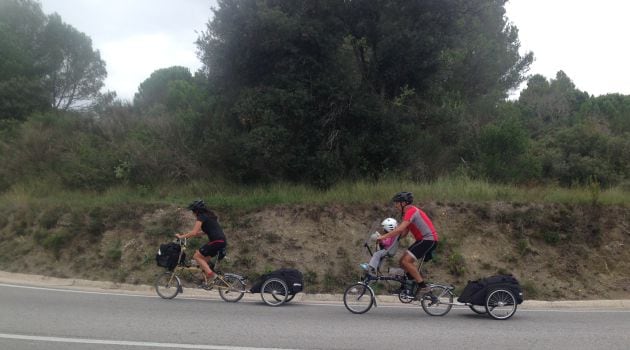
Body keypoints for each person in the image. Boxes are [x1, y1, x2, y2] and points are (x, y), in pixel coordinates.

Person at [377, 192, 438, 295]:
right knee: (402, 262)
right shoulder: (407, 213)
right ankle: (407, 287)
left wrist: (383, 236)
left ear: (404, 203)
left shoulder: (411, 211)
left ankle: (423, 286)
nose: (395, 205)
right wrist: (388, 241)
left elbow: (399, 230)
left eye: (397, 203)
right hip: (422, 240)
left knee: (406, 262)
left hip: (428, 240)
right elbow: (404, 233)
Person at [176, 199, 227, 286]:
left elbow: (194, 232)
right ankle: (206, 281)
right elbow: (202, 232)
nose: (193, 213)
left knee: (196, 256)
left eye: (193, 211)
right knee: (203, 260)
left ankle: (212, 275)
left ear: (196, 210)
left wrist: (181, 237)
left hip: (216, 241)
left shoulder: (201, 216)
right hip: (221, 241)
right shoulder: (209, 216)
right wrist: (187, 235)